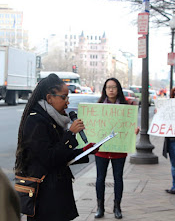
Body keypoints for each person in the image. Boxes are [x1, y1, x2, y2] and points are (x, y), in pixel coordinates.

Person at [15, 73, 96, 221]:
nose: (67, 102)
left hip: (56, 193)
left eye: (68, 97)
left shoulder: (54, 118)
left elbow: (62, 155)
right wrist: (70, 134)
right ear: (49, 98)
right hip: (45, 198)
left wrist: (86, 151)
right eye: (63, 97)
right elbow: (49, 158)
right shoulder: (36, 120)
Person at [94, 78, 139, 219]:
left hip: (119, 149)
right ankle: (100, 207)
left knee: (118, 178)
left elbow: (130, 126)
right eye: (108, 87)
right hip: (102, 149)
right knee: (100, 178)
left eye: (114, 87)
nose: (111, 90)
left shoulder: (126, 107)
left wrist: (134, 130)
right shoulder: (99, 106)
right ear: (104, 90)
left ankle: (117, 207)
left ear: (118, 89)